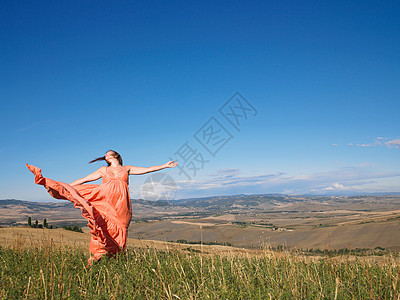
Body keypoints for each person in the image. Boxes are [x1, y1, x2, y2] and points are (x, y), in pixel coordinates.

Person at [26, 150, 178, 267]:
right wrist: (65, 187)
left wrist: (165, 165)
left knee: (121, 227)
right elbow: (85, 179)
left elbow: (147, 169)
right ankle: (97, 257)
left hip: (121, 204)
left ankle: (116, 257)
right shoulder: (103, 170)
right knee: (102, 225)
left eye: (108, 154)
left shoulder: (127, 168)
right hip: (104, 200)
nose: (106, 155)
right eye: (105, 155)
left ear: (116, 156)